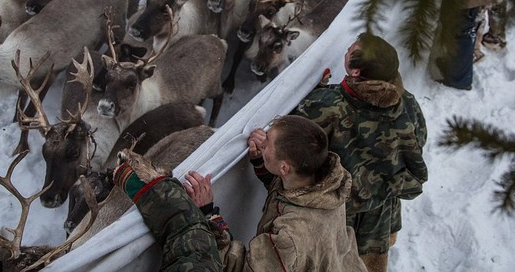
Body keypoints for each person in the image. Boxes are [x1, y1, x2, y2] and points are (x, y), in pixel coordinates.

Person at [113, 115, 367, 272]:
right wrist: (263, 162)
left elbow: (240, 268)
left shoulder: (290, 239)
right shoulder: (327, 185)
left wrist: (209, 215)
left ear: (285, 167)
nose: (261, 140)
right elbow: (295, 197)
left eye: (267, 142)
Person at [292, 33, 428, 272]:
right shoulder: (408, 102)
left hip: (338, 214)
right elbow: (419, 141)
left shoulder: (327, 106)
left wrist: (317, 92)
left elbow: (294, 136)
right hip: (381, 210)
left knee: (335, 262)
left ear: (355, 72)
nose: (345, 51)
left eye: (350, 50)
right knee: (369, 264)